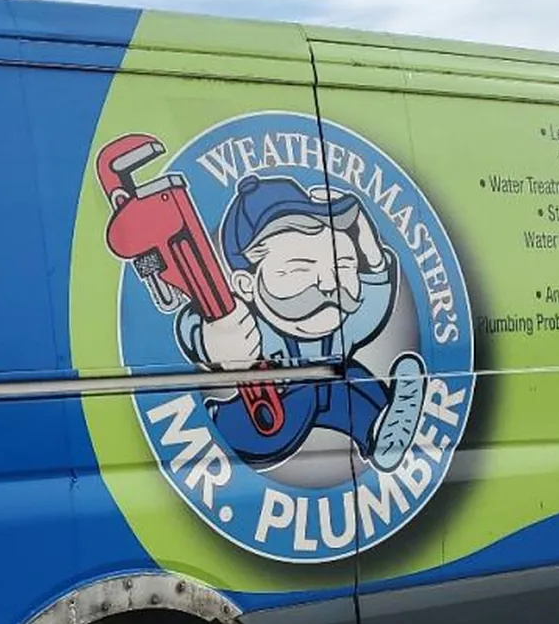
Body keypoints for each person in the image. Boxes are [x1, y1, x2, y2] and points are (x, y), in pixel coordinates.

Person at [175, 174, 425, 472]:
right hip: (258, 425)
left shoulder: (341, 324)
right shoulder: (247, 327)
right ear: (245, 284)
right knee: (314, 383)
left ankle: (381, 430)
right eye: (300, 268)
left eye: (342, 265)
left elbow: (372, 300)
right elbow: (195, 320)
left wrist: (370, 254)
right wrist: (211, 337)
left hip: (322, 398)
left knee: (347, 377)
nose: (329, 283)